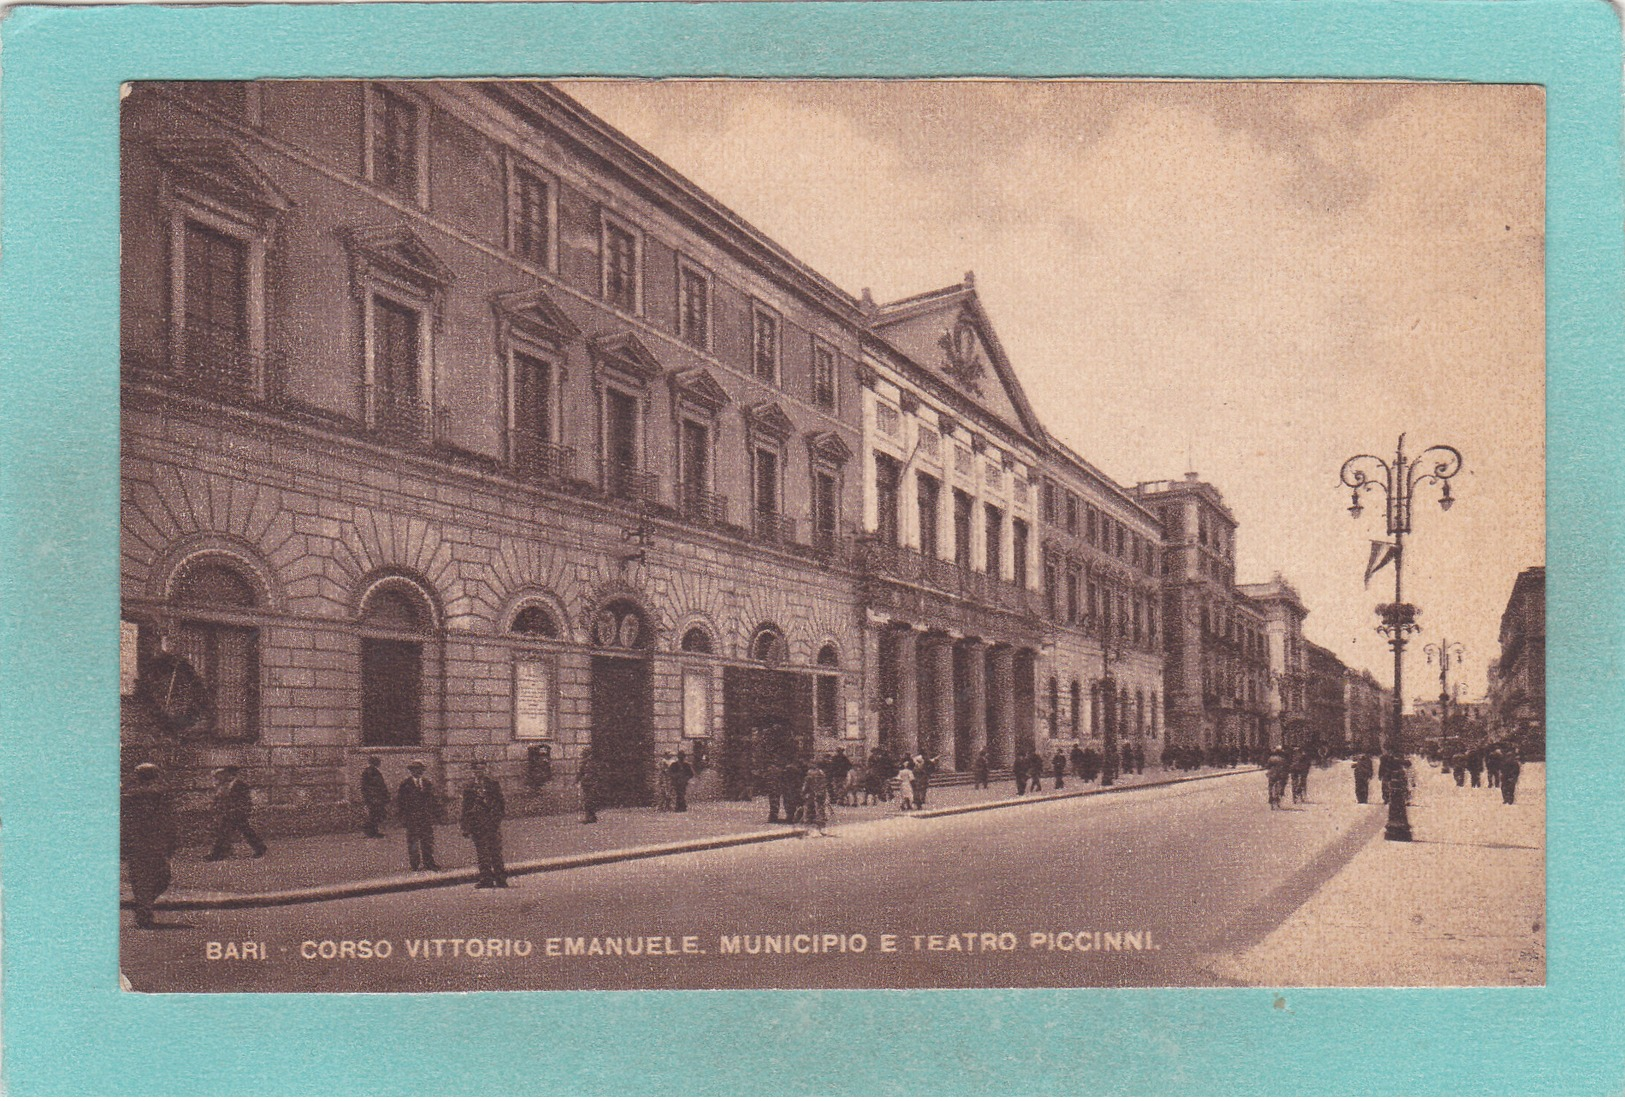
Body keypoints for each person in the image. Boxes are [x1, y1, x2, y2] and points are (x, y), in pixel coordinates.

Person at [121, 762, 177, 929]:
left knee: (141, 880)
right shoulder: (163, 795)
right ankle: (144, 909)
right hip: (153, 844)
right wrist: (172, 842)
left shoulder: (129, 796)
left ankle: (143, 906)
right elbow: (169, 821)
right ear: (155, 775)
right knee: (162, 877)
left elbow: (124, 823)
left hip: (140, 844)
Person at [459, 761, 507, 888]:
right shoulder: (469, 787)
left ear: (486, 770)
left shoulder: (493, 785)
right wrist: (465, 827)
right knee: (482, 853)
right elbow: (465, 808)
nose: (480, 772)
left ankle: (501, 878)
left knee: (495, 852)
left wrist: (496, 820)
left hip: (492, 824)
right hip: (477, 825)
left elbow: (500, 804)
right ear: (473, 771)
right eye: (477, 770)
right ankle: (486, 879)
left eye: (482, 770)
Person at [205, 765, 267, 860]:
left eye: (229, 774)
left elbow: (246, 801)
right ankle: (260, 848)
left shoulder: (241, 786)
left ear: (233, 775)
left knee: (236, 832)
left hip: (238, 813)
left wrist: (240, 810)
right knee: (237, 832)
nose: (227, 776)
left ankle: (217, 854)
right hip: (230, 813)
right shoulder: (226, 785)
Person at [397, 760, 441, 869]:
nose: (417, 771)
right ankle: (415, 864)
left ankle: (429, 862)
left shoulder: (427, 783)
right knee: (413, 842)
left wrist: (435, 814)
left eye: (419, 769)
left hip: (425, 817)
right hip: (411, 818)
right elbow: (401, 802)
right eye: (414, 769)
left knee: (427, 841)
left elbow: (432, 800)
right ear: (411, 771)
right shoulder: (405, 784)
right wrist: (403, 817)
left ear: (422, 771)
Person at [359, 756, 390, 838]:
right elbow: (366, 786)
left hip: (376, 798)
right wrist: (370, 797)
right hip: (374, 798)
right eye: (377, 762)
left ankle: (374, 832)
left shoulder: (374, 772)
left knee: (376, 815)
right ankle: (371, 832)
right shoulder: (369, 772)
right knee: (373, 815)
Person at [801, 761, 830, 835]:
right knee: (820, 811)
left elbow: (806, 785)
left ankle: (809, 829)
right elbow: (824, 785)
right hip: (820, 794)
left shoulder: (810, 773)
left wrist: (803, 793)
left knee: (808, 811)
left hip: (811, 795)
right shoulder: (822, 773)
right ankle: (821, 828)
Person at [577, 752, 604, 824]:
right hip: (585, 785)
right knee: (586, 801)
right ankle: (590, 817)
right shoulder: (583, 764)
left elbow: (599, 775)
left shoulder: (594, 764)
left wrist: (596, 783)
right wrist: (577, 781)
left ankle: (590, 817)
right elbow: (580, 773)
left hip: (592, 784)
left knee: (589, 801)